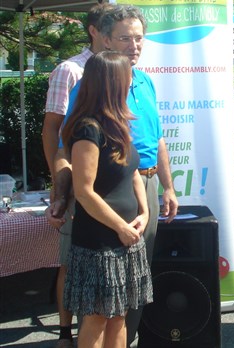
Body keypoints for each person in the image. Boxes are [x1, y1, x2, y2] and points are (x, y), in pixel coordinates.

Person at [48, 5, 178, 346]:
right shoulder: (89, 91)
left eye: (139, 38)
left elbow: (157, 140)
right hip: (103, 209)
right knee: (100, 307)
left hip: (142, 189)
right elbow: (67, 150)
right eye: (125, 38)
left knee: (127, 297)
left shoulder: (145, 81)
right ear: (104, 40)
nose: (135, 45)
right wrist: (61, 193)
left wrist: (167, 187)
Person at [61, 50, 153, 348]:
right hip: (100, 242)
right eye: (127, 78)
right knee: (98, 317)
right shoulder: (89, 129)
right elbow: (85, 191)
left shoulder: (119, 123)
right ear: (112, 83)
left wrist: (145, 211)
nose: (131, 83)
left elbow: (133, 172)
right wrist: (121, 228)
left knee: (119, 315)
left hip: (127, 237)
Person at [41, 5, 111, 347]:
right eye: (111, 28)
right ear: (94, 30)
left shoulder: (123, 69)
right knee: (70, 260)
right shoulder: (69, 71)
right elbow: (52, 132)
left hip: (112, 184)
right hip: (77, 180)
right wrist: (60, 189)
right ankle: (66, 332)